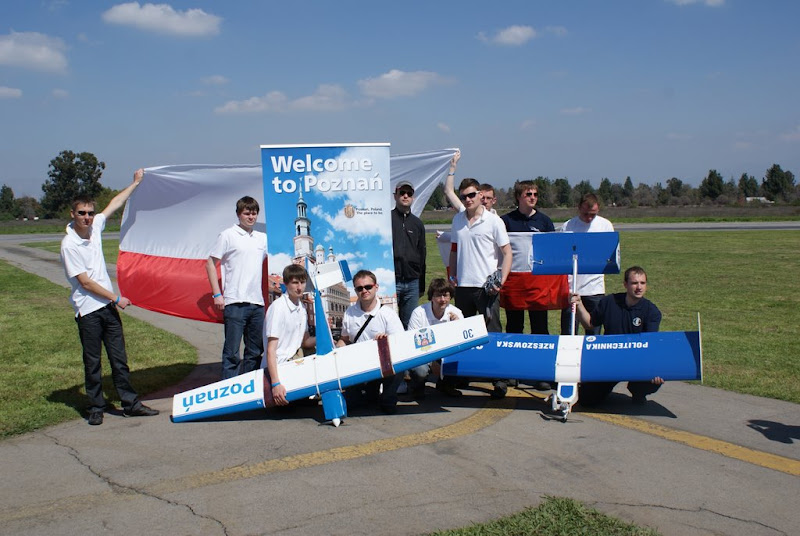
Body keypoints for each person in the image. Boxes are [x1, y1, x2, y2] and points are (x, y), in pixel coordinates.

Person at [60, 168, 159, 426]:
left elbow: (114, 203)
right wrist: (116, 298)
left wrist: (135, 183)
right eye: (82, 213)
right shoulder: (69, 245)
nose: (87, 217)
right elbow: (85, 282)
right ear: (73, 214)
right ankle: (95, 407)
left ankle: (130, 404)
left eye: (90, 213)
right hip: (89, 311)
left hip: (107, 309)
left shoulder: (95, 229)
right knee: (93, 362)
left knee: (119, 360)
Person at [449, 178, 512, 397]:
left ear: (480, 196)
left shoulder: (493, 221)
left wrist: (500, 282)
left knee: (493, 332)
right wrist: (451, 273)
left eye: (472, 195)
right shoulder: (457, 220)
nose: (468, 199)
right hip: (463, 287)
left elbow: (507, 253)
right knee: (463, 333)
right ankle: (463, 374)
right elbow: (455, 249)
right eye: (464, 196)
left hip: (486, 288)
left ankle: (499, 378)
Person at [571, 266, 665, 405]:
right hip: (611, 360)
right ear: (625, 284)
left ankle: (638, 391)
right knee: (587, 400)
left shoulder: (652, 312)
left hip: (636, 362)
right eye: (634, 283)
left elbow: (649, 345)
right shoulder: (609, 302)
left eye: (642, 283)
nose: (639, 287)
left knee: (654, 379)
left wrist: (654, 369)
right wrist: (579, 304)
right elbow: (590, 323)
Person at [206, 196, 268, 380]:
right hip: (234, 302)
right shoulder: (227, 235)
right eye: (247, 213)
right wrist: (217, 294)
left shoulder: (262, 238)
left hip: (257, 303)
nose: (251, 217)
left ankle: (248, 389)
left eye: (254, 213)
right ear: (239, 214)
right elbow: (210, 263)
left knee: (255, 351)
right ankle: (229, 391)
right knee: (232, 352)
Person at [337, 270, 404, 413]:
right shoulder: (349, 312)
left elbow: (400, 344)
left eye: (368, 287)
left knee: (397, 370)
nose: (364, 291)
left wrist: (386, 341)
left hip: (384, 363)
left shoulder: (388, 314)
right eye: (359, 288)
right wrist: (337, 351)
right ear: (355, 290)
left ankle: (388, 398)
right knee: (354, 405)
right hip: (359, 365)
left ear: (376, 287)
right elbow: (344, 339)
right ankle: (368, 394)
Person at [500, 180, 555, 335]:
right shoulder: (506, 221)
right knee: (514, 325)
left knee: (540, 326)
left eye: (535, 194)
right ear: (519, 197)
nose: (533, 197)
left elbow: (551, 252)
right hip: (514, 280)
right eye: (528, 194)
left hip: (538, 281)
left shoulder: (544, 221)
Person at [560, 193, 615, 335]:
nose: (589, 218)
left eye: (593, 214)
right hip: (572, 288)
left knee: (593, 333)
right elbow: (561, 257)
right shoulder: (568, 226)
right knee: (569, 332)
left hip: (594, 289)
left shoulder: (605, 225)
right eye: (586, 214)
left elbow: (609, 256)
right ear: (579, 208)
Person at [262, 264, 316, 406]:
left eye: (302, 282)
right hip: (280, 366)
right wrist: (275, 384)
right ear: (286, 284)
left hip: (294, 360)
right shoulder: (278, 308)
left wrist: (325, 338)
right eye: (295, 283)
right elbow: (271, 349)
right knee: (289, 407)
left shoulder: (302, 308)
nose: (299, 287)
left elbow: (306, 342)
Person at [406, 278, 464, 398]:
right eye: (438, 296)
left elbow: (462, 342)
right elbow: (412, 343)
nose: (442, 300)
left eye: (445, 295)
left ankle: (446, 385)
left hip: (446, 354)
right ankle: (417, 387)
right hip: (422, 354)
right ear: (431, 297)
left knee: (458, 359)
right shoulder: (419, 313)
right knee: (420, 370)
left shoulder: (456, 313)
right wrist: (432, 361)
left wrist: (458, 326)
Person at [391, 180, 426, 329]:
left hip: (412, 282)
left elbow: (422, 254)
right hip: (393, 281)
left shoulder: (417, 224)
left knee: (409, 325)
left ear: (413, 197)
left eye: (409, 193)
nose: (405, 196)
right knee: (390, 324)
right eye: (402, 193)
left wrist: (421, 284)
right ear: (395, 195)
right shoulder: (387, 219)